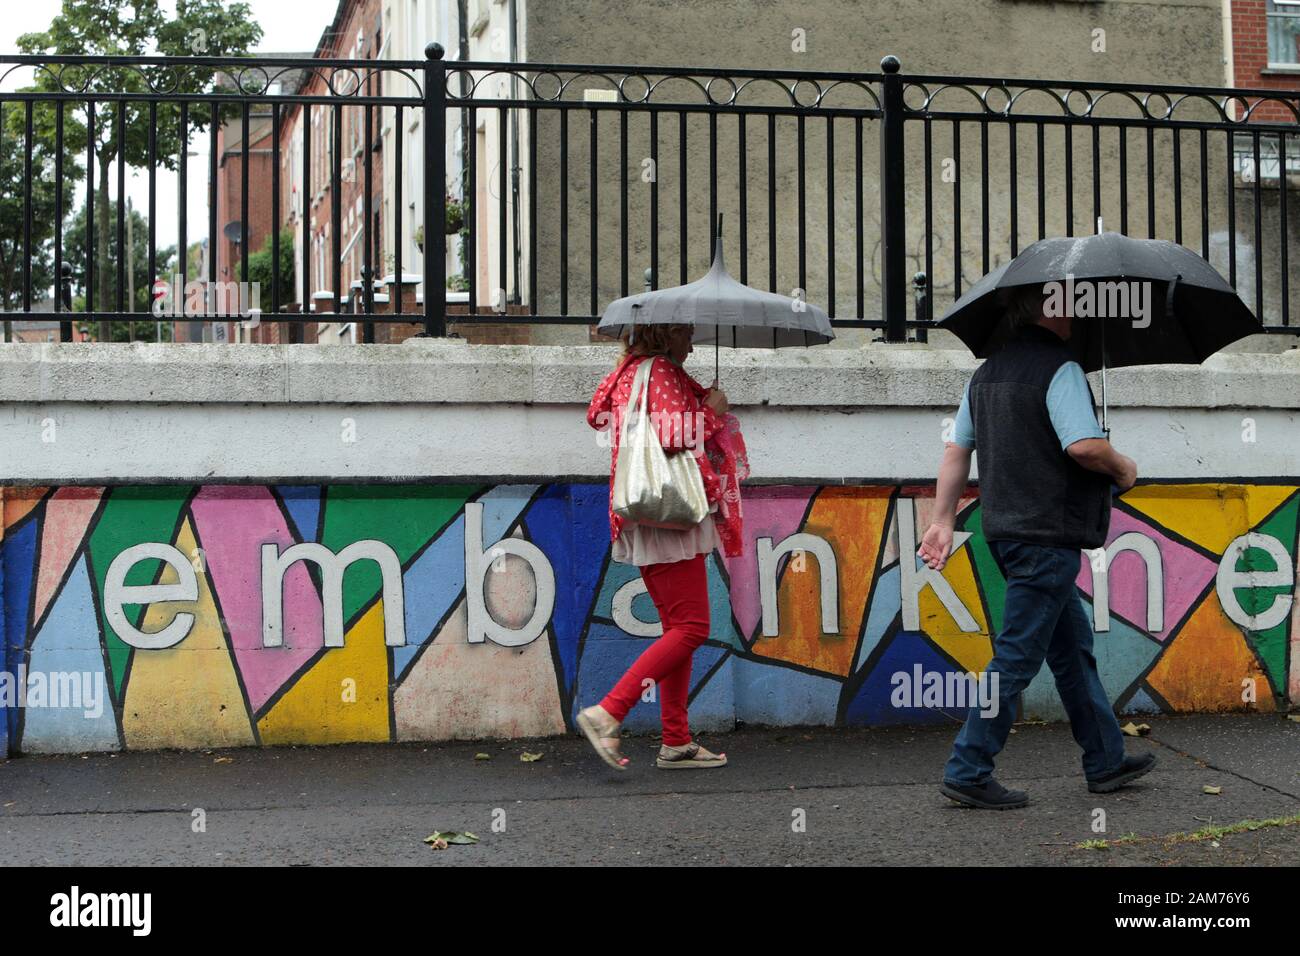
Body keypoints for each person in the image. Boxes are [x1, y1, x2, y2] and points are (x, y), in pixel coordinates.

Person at [918, 285, 1157, 809]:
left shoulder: (985, 374)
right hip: (1047, 536)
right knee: (1018, 656)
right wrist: (1125, 468)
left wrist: (941, 521)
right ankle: (968, 768)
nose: (1080, 309)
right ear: (1050, 309)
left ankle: (1106, 760)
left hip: (1006, 533)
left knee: (1072, 652)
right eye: (1071, 300)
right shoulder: (1060, 369)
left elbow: (957, 450)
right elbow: (1084, 446)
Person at [578, 323, 748, 771]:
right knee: (691, 627)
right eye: (686, 333)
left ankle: (676, 741)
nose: (693, 341)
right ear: (665, 334)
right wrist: (711, 410)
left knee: (679, 628)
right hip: (672, 512)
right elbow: (676, 435)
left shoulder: (629, 371)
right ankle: (609, 711)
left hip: (645, 514)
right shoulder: (661, 372)